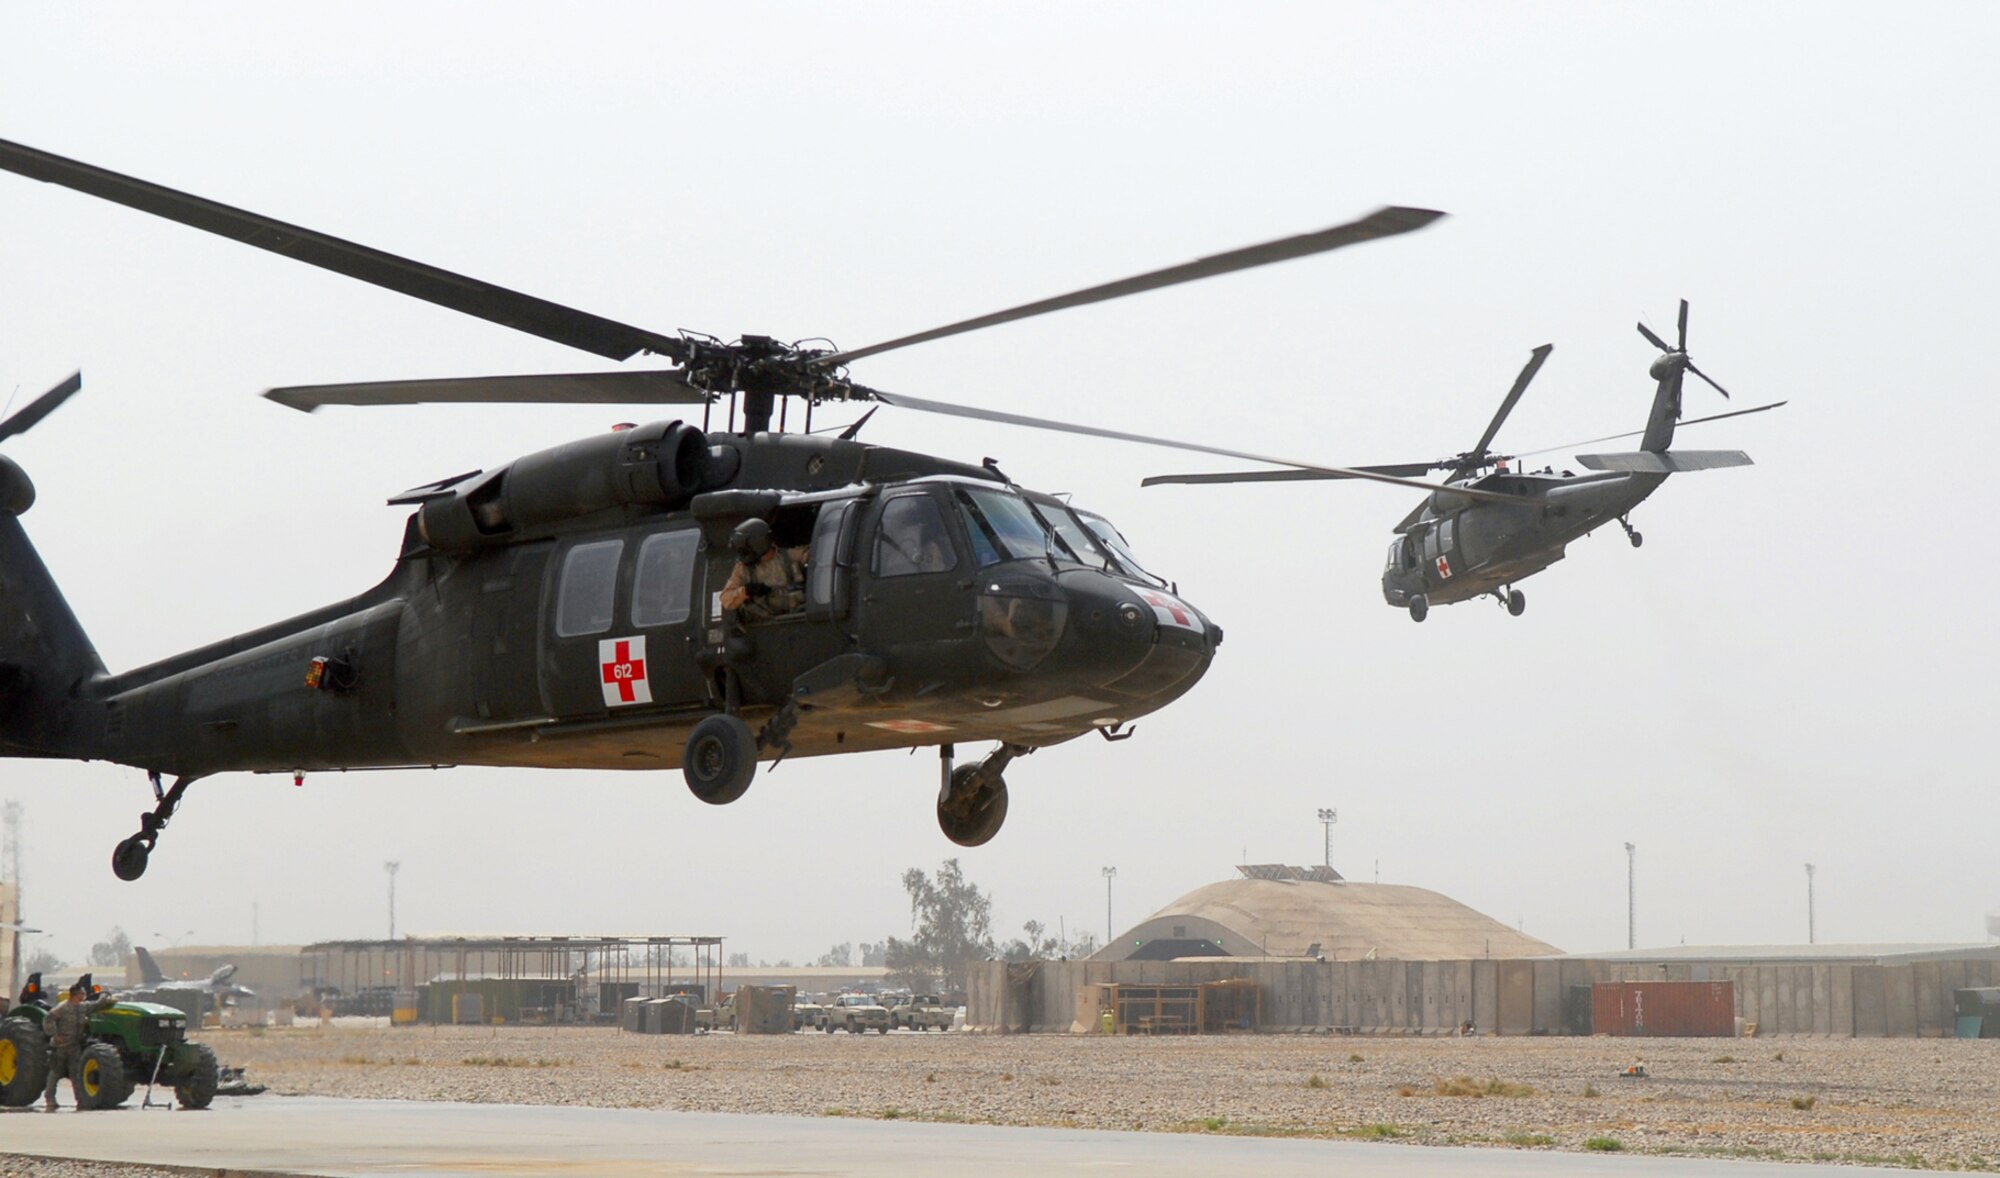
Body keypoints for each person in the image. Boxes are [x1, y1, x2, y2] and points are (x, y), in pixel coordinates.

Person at [43, 974, 116, 1111]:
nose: (84, 995)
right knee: (55, 1073)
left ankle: (80, 1100)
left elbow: (96, 1005)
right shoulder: (62, 1008)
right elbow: (48, 1019)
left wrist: (107, 1000)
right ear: (76, 995)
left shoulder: (82, 1007)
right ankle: (50, 1099)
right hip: (60, 1046)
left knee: (76, 1074)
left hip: (74, 1046)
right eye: (82, 993)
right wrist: (54, 1034)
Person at [719, 519, 807, 622]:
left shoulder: (791, 556)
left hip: (795, 620)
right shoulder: (742, 569)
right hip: (764, 627)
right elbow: (726, 600)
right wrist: (746, 591)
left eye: (746, 550)